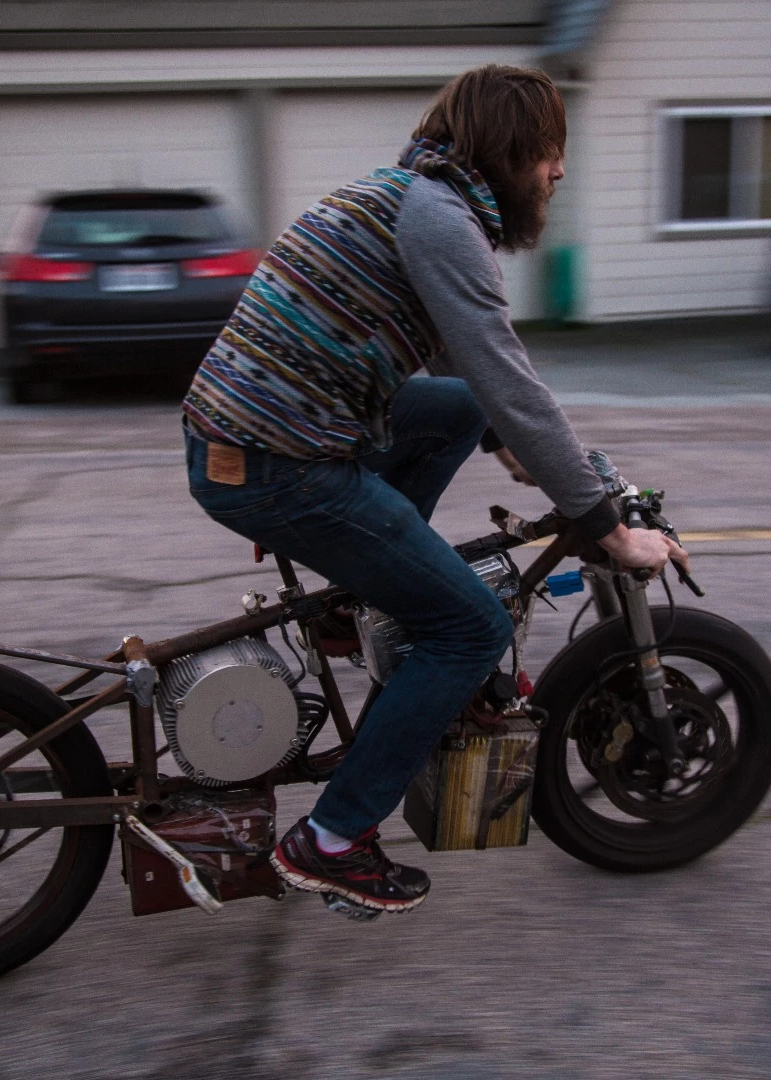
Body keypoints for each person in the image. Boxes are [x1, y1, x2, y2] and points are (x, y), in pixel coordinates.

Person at [182, 65, 687, 914]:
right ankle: (334, 838)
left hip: (256, 437)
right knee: (469, 627)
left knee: (452, 411)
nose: (559, 171)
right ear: (511, 148)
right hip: (280, 462)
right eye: (550, 151)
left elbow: (469, 372)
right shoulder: (443, 220)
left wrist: (506, 442)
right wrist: (603, 526)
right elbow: (507, 371)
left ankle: (363, 592)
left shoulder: (410, 196)